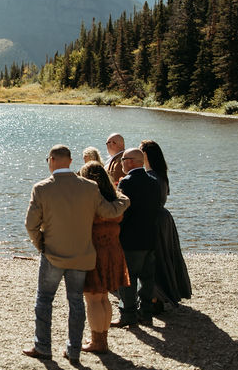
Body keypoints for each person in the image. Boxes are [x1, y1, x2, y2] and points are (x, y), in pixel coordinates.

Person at [23, 145, 130, 365]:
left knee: (44, 300)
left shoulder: (41, 188)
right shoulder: (90, 187)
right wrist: (124, 200)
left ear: (51, 160)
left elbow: (31, 225)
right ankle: (73, 350)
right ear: (71, 161)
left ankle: (42, 346)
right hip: (82, 255)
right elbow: (109, 212)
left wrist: (41, 245)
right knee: (76, 302)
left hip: (53, 254)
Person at [77, 161, 130, 354]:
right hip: (113, 250)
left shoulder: (89, 201)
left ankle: (97, 342)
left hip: (94, 251)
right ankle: (103, 339)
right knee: (104, 297)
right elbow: (123, 199)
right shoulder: (116, 200)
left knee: (92, 298)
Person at [140, 139, 192, 311]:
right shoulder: (161, 175)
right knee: (166, 257)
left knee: (155, 259)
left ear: (146, 155)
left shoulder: (150, 177)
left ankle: (157, 298)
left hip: (153, 219)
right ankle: (162, 295)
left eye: (141, 152)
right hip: (164, 219)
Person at [114, 148, 162, 328]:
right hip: (149, 236)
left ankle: (128, 315)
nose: (121, 163)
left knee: (128, 279)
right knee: (147, 278)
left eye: (123, 160)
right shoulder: (154, 182)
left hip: (130, 239)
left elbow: (123, 212)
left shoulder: (127, 182)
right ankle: (146, 313)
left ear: (132, 161)